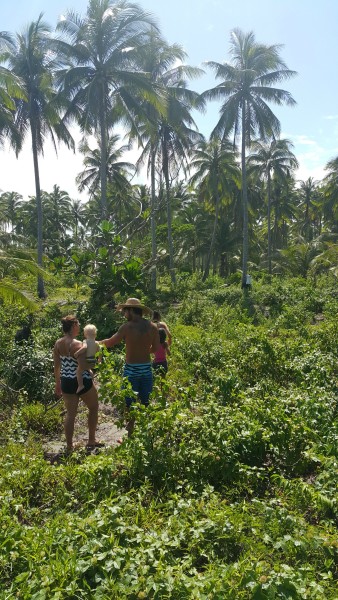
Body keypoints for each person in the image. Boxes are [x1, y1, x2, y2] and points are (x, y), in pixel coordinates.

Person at [99, 298, 160, 437]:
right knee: (146, 402)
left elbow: (110, 343)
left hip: (131, 370)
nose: (124, 314)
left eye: (125, 311)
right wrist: (143, 351)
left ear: (131, 311)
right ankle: (146, 434)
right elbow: (155, 348)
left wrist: (94, 342)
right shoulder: (153, 327)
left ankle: (130, 434)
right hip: (146, 370)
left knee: (129, 403)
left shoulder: (127, 327)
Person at [53, 315, 100, 452]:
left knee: (70, 414)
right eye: (78, 325)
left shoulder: (58, 343)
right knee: (93, 407)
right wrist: (93, 366)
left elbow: (56, 366)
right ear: (73, 326)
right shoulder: (80, 344)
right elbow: (84, 364)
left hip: (66, 382)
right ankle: (91, 440)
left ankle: (69, 446)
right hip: (82, 381)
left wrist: (58, 383)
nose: (79, 327)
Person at [74, 324, 100, 394]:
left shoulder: (85, 341)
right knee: (89, 369)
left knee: (79, 371)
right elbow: (100, 353)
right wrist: (99, 360)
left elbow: (84, 348)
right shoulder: (97, 343)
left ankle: (80, 385)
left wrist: (77, 353)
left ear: (85, 334)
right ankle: (92, 380)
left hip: (86, 361)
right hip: (93, 362)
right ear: (95, 334)